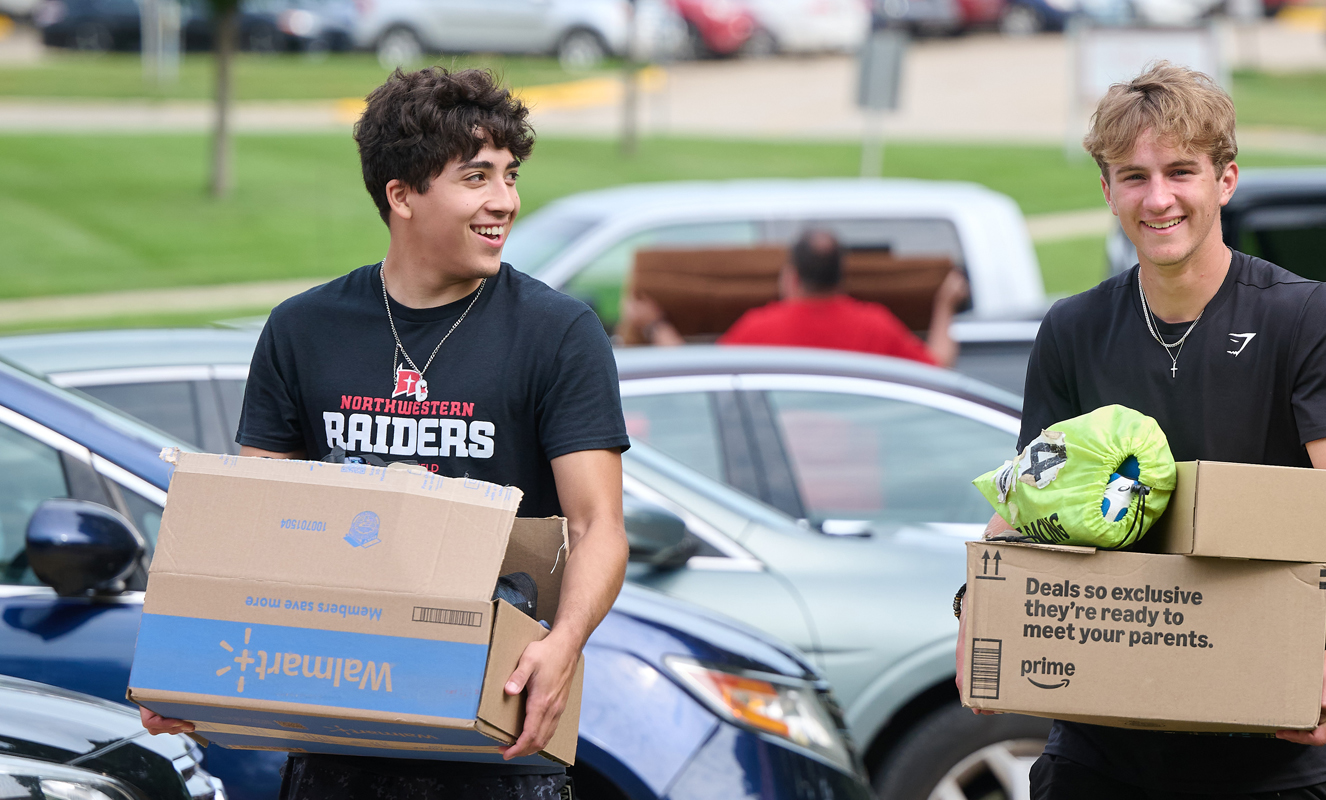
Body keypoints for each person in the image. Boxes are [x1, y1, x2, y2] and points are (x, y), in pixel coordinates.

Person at [138, 67, 631, 800]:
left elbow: (599, 526)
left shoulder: (558, 333)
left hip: (496, 745)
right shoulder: (304, 330)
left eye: (509, 174)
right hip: (341, 738)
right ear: (401, 195)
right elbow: (256, 531)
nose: (505, 202)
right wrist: (194, 669)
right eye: (476, 178)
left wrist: (563, 647)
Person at [957, 62, 1326, 799]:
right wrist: (979, 614)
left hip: (1271, 747)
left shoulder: (1301, 317)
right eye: (1133, 176)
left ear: (1225, 180)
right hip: (1105, 747)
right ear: (1107, 191)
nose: (1158, 199)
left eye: (1180, 171)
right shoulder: (1073, 329)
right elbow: (1028, 504)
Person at [624, 228, 970, 367]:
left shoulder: (759, 330)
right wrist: (944, 305)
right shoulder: (875, 326)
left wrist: (655, 325)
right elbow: (939, 363)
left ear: (791, 278)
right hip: (861, 487)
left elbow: (697, 374)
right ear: (842, 277)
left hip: (776, 491)